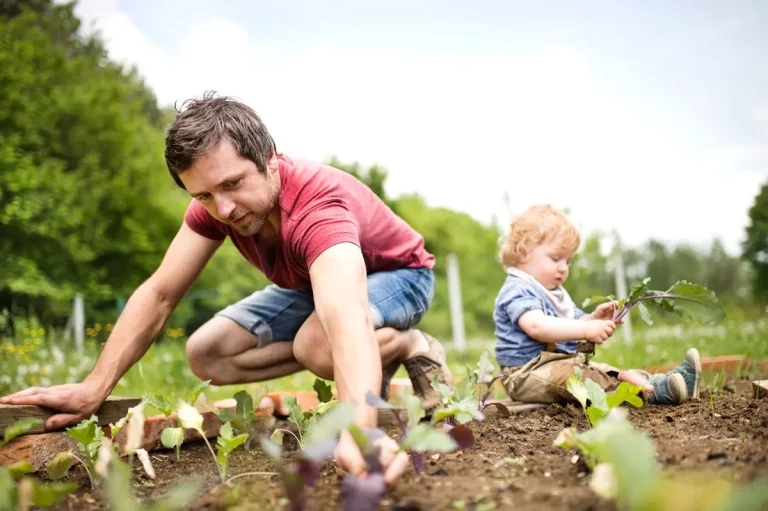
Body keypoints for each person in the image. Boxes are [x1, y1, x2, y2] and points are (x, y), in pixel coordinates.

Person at [0, 92, 454, 484]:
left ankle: (409, 342)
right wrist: (94, 386)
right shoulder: (216, 206)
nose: (224, 208)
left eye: (233, 184)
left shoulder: (318, 211)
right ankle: (363, 351)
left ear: (270, 160)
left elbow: (345, 313)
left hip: (400, 277)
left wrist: (360, 429)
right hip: (311, 286)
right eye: (203, 195)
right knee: (207, 354)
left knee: (318, 346)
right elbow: (160, 294)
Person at [492, 204, 701, 406]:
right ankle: (651, 393)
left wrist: (592, 319)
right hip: (525, 375)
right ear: (524, 252)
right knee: (583, 380)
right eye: (556, 258)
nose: (563, 268)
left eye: (568, 261)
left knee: (605, 371)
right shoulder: (517, 288)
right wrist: (586, 329)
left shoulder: (554, 291)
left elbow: (573, 320)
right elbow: (536, 326)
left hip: (558, 365)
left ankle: (660, 383)